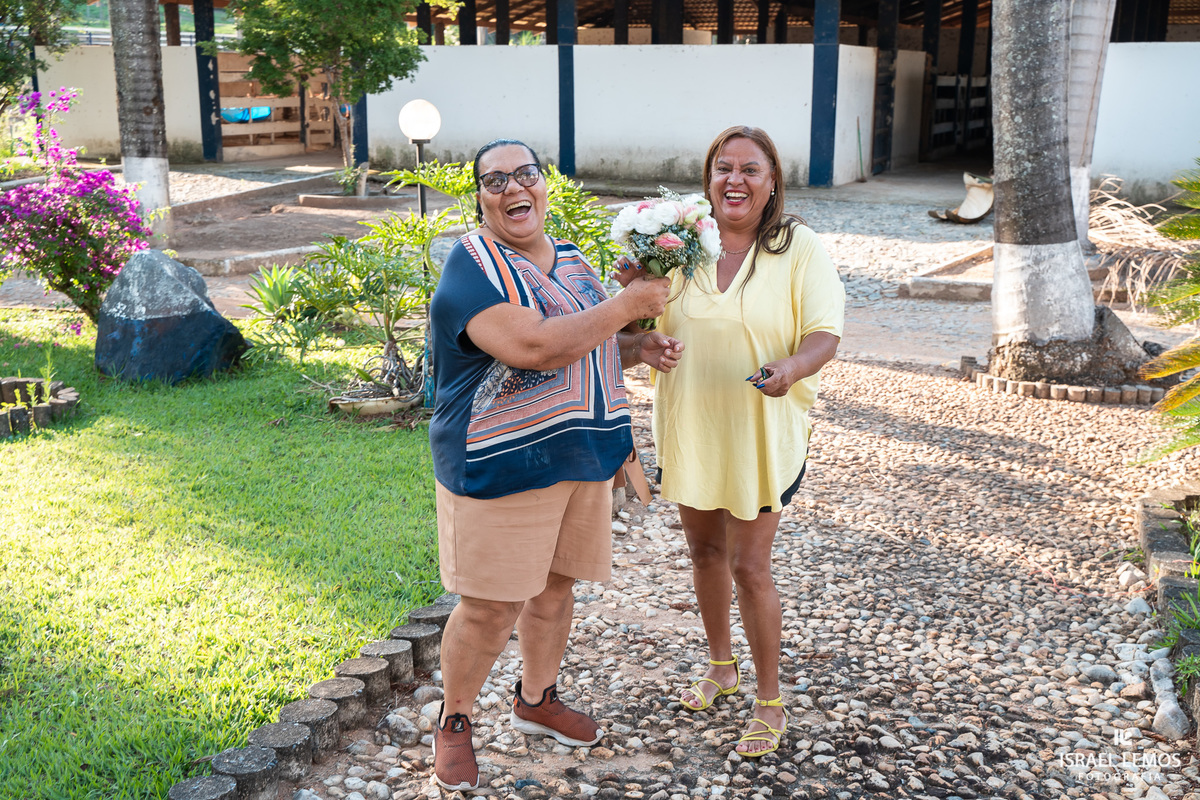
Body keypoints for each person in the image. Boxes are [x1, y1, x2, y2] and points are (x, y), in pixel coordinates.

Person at [427, 138, 684, 791]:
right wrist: (629, 305)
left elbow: (585, 340)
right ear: (480, 199)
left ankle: (536, 701)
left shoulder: (570, 260)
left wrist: (635, 347)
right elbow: (534, 347)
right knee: (489, 606)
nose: (514, 189)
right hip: (499, 460)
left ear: (545, 184)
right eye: (495, 181)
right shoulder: (471, 266)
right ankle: (454, 721)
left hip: (575, 454)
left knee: (555, 588)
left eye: (526, 174)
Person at [630, 126, 844, 757]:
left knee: (750, 566)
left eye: (751, 169)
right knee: (702, 556)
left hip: (759, 427)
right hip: (691, 423)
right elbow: (640, 328)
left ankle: (770, 700)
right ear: (709, 178)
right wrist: (643, 326)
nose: (736, 180)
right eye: (724, 168)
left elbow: (824, 333)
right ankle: (722, 670)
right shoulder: (679, 248)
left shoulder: (796, 247)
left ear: (772, 180)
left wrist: (793, 370)